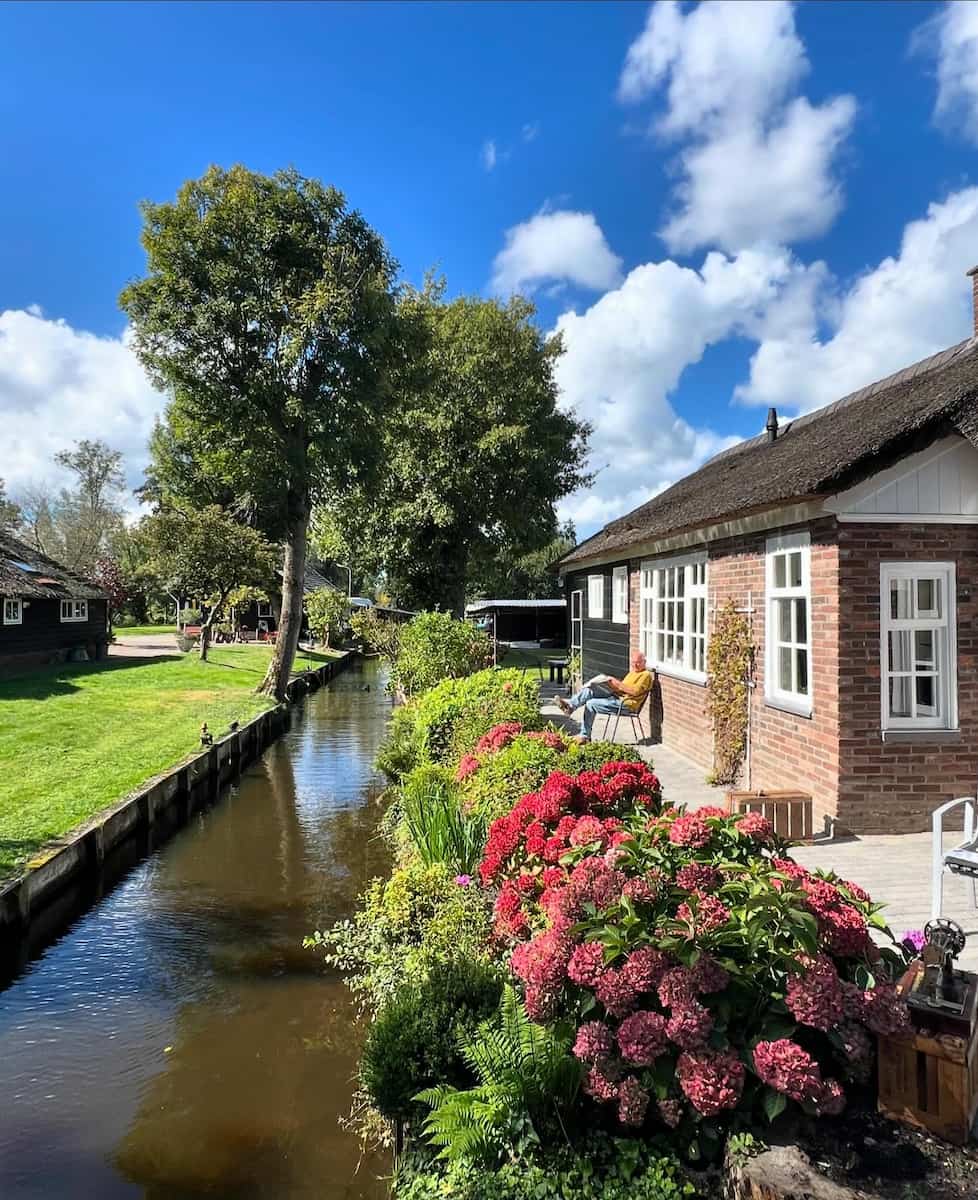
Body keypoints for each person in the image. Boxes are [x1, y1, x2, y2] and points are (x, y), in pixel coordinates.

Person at [556, 651, 653, 742]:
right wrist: (609, 683)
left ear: (644, 662)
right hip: (616, 697)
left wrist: (617, 683)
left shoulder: (646, 675)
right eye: (633, 662)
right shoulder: (632, 673)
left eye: (638, 663)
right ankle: (570, 707)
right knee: (589, 691)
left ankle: (585, 736)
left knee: (591, 704)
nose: (635, 665)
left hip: (626, 705)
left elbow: (634, 692)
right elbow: (621, 690)